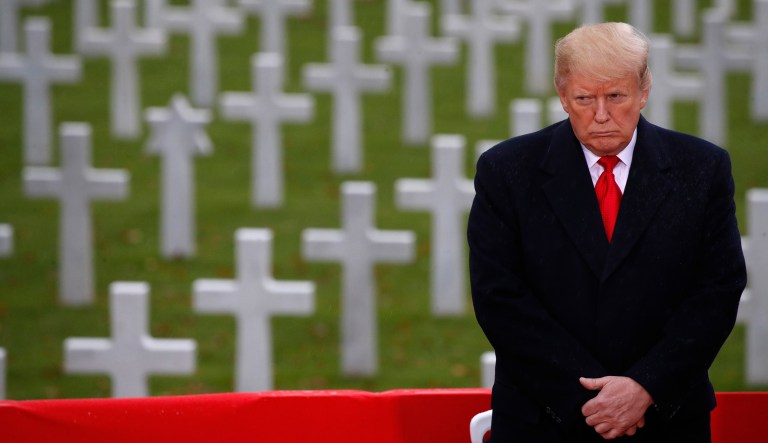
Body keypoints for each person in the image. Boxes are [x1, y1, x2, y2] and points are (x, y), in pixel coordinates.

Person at [467, 22, 747, 442]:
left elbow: (718, 290)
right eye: (584, 98)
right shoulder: (506, 171)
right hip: (544, 419)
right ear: (562, 96)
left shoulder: (701, 169)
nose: (601, 115)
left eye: (615, 96)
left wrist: (645, 386)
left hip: (665, 419)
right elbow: (499, 297)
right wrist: (593, 401)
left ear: (644, 90)